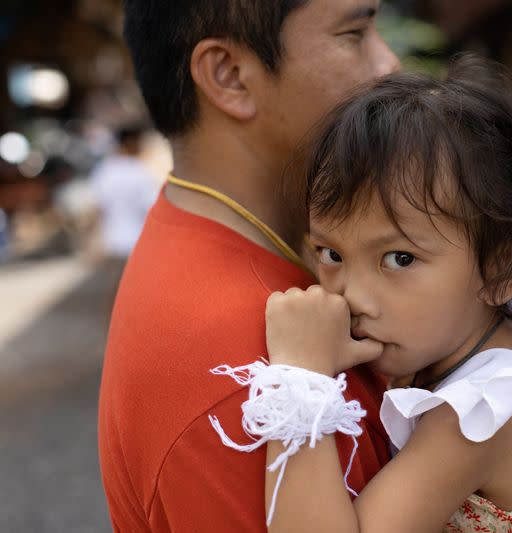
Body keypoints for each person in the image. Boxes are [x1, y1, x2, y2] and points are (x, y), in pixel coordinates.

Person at [213, 60, 512, 532]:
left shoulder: (482, 415)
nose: (352, 296)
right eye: (330, 253)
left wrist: (299, 373)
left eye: (399, 259)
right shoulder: (506, 322)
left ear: (502, 269)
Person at [97, 1, 399, 531]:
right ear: (230, 76)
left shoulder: (240, 250)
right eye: (355, 33)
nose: (389, 63)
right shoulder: (253, 380)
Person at [89, 126, 158, 262]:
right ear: (131, 142)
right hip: (137, 243)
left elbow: (99, 208)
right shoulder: (139, 171)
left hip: (112, 243)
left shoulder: (104, 170)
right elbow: (150, 208)